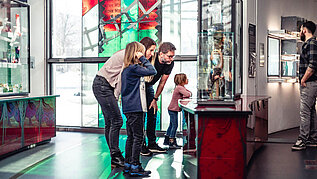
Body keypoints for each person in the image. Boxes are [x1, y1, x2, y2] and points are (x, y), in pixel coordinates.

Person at [92, 37, 157, 167]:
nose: (151, 54)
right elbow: (121, 81)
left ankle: (115, 156)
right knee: (116, 120)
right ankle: (115, 156)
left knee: (111, 122)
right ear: (139, 50)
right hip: (103, 85)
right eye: (150, 51)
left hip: (105, 85)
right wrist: (118, 99)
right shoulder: (127, 58)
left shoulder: (131, 59)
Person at [121, 41, 157, 176]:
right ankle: (135, 166)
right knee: (138, 137)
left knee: (131, 137)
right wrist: (142, 58)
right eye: (141, 52)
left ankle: (128, 164)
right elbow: (153, 71)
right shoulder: (134, 69)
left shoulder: (127, 70)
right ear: (136, 53)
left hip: (129, 108)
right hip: (136, 108)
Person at [141, 42, 177, 155]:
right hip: (140, 86)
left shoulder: (170, 64)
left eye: (173, 56)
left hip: (150, 87)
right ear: (161, 54)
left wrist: (155, 99)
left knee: (153, 113)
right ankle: (141, 145)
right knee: (140, 115)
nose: (171, 59)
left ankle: (152, 144)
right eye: (169, 56)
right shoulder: (151, 57)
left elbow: (162, 83)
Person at [292, 21, 317, 151]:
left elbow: (313, 65)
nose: (300, 31)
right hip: (310, 83)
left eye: (301, 29)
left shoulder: (312, 43)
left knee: (305, 112)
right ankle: (313, 139)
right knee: (311, 110)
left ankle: (302, 140)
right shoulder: (308, 44)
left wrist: (303, 79)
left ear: (305, 30)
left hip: (309, 83)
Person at [163, 73, 192, 149]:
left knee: (171, 125)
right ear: (182, 80)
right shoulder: (179, 88)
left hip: (172, 109)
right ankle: (172, 141)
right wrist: (188, 93)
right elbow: (188, 94)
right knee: (175, 125)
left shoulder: (180, 87)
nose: (187, 80)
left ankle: (167, 139)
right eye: (186, 78)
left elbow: (188, 93)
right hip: (173, 109)